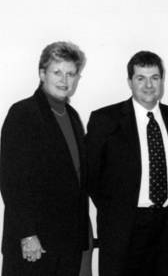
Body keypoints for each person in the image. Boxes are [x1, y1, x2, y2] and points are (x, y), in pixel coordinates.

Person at [86, 51, 168, 276]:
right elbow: (91, 175)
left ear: (162, 80)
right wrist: (116, 211)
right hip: (122, 226)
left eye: (155, 77)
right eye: (141, 78)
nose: (149, 85)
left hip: (164, 224)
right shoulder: (105, 120)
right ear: (129, 81)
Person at [0, 41, 90, 276]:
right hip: (34, 242)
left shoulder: (71, 115)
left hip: (67, 241)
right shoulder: (23, 114)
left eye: (71, 74)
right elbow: (12, 181)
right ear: (42, 74)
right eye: (57, 72)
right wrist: (27, 234)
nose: (65, 80)